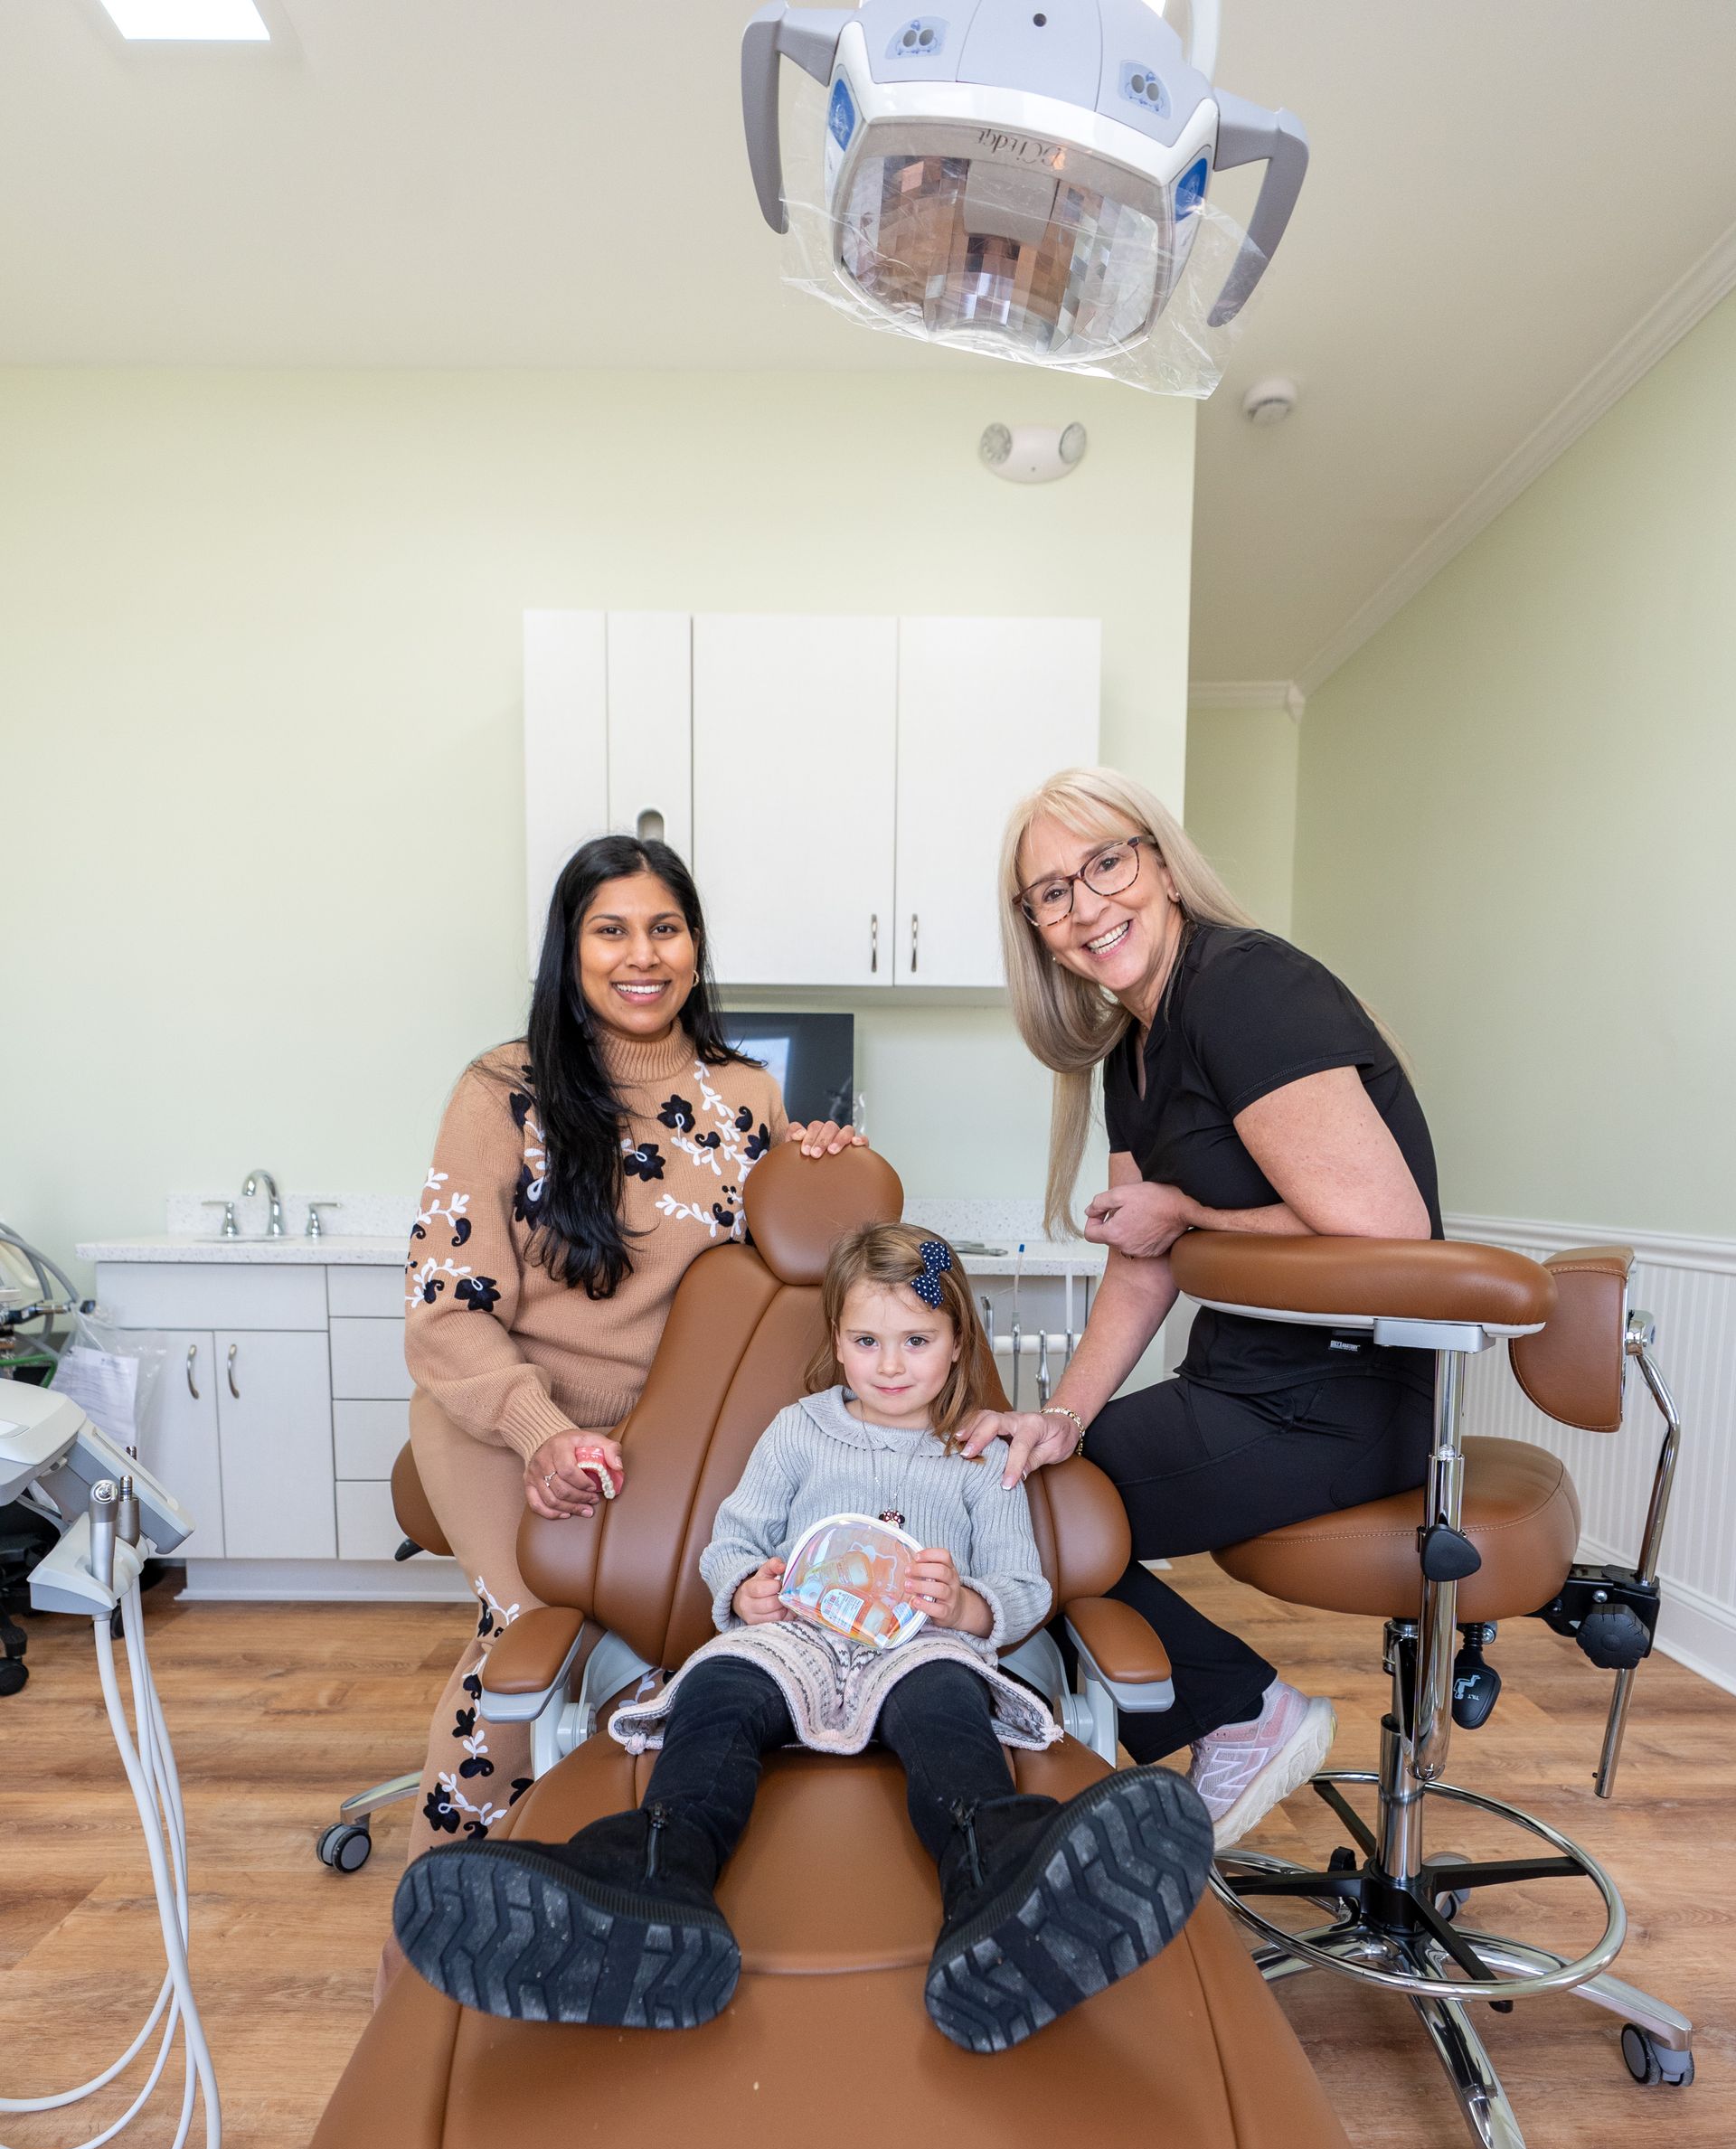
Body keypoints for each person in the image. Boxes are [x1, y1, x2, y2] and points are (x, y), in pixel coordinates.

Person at [392, 1221, 1213, 2051]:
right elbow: (732, 1540)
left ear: (959, 1340)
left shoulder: (980, 1452)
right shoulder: (799, 1430)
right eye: (867, 1340)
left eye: (917, 1340)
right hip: (796, 1638)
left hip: (917, 1645)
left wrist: (966, 1606)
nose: (891, 1365)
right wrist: (745, 1590)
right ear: (837, 1342)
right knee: (718, 1694)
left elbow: (1022, 1583)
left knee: (945, 1710)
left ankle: (1003, 1890)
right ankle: (649, 1887)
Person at [960, 766, 1441, 1850]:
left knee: (1021, 1517)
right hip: (1248, 1388)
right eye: (1050, 893)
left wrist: (1183, 1210)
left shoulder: (1244, 988)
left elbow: (1388, 1233)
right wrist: (1062, 1419)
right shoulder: (1135, 1043)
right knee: (1020, 1481)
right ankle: (1204, 1719)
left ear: (1163, 866)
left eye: (1105, 864)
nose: (1086, 906)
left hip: (1342, 1399)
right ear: (1036, 931)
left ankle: (1243, 1712)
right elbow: (1145, 1258)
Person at [401, 832, 862, 1862]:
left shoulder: (749, 1100)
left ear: (695, 946)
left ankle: (619, 1872)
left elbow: (853, 1281)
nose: (641, 955)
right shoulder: (501, 1091)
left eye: (665, 927)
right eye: (610, 931)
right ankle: (445, 1894)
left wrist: (832, 1167)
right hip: (506, 1416)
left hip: (667, 1440)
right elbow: (443, 1307)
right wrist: (542, 1435)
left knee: (691, 1652)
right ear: (571, 951)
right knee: (535, 1646)